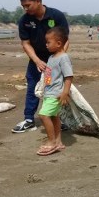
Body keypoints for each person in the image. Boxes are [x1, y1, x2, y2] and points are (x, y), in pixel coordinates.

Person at [12, 0, 70, 133]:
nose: (25, 9)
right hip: (36, 60)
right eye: (23, 6)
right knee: (33, 86)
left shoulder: (56, 16)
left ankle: (59, 118)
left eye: (28, 5)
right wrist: (37, 61)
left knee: (56, 88)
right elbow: (26, 43)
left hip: (55, 59)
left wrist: (58, 58)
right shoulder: (24, 21)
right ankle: (29, 119)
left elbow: (65, 39)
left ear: (38, 1)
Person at [36, 27, 73, 156]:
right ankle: (58, 141)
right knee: (54, 116)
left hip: (56, 93)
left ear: (58, 43)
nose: (46, 45)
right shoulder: (52, 57)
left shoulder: (63, 58)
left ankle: (51, 142)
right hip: (49, 92)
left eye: (48, 42)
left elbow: (68, 76)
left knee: (43, 115)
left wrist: (65, 92)